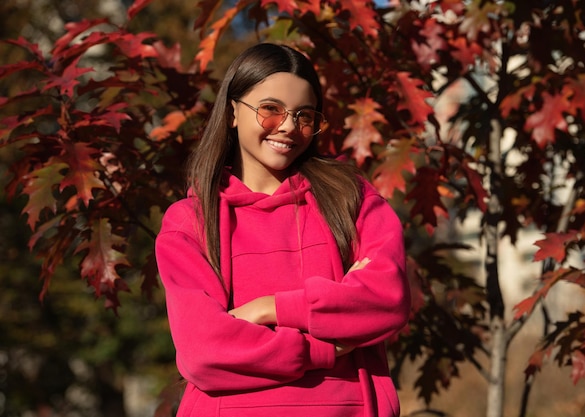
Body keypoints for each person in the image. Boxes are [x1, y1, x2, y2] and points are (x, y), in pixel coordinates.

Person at [155, 42, 410, 417]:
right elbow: (204, 351)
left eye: (305, 116)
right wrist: (324, 344)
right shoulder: (191, 221)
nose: (289, 126)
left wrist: (267, 309)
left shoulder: (349, 198)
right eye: (271, 109)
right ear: (231, 113)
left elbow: (386, 298)